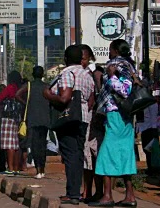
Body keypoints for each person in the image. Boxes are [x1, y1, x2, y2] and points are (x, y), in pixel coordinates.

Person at [90, 39, 138, 207]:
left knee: (106, 154)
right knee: (125, 153)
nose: (109, 52)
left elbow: (125, 90)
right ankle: (130, 195)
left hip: (116, 113)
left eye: (110, 49)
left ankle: (107, 195)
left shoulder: (117, 65)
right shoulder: (130, 65)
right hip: (124, 115)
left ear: (116, 50)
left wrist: (110, 76)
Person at [44, 44, 94, 205]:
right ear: (81, 59)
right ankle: (74, 192)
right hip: (84, 118)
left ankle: (72, 194)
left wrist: (48, 95)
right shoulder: (87, 76)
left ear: (65, 59)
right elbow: (91, 99)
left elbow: (65, 98)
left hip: (68, 119)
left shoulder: (67, 74)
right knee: (78, 155)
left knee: (70, 155)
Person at [78, 44, 105, 203]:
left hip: (96, 122)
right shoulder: (83, 73)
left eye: (84, 58)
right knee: (87, 158)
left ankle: (98, 191)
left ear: (90, 58)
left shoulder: (96, 73)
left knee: (96, 157)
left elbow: (99, 97)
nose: (82, 61)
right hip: (88, 121)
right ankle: (88, 191)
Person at [22, 66, 50, 179]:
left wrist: (27, 104)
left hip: (33, 118)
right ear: (42, 75)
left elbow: (17, 95)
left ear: (33, 74)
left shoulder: (29, 85)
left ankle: (38, 169)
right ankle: (42, 169)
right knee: (42, 144)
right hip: (45, 119)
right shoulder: (46, 86)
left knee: (34, 145)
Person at [0, 70, 25, 175]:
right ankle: (17, 168)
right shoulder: (21, 88)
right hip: (18, 117)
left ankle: (10, 168)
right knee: (16, 144)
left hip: (8, 117)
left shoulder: (10, 88)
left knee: (9, 144)